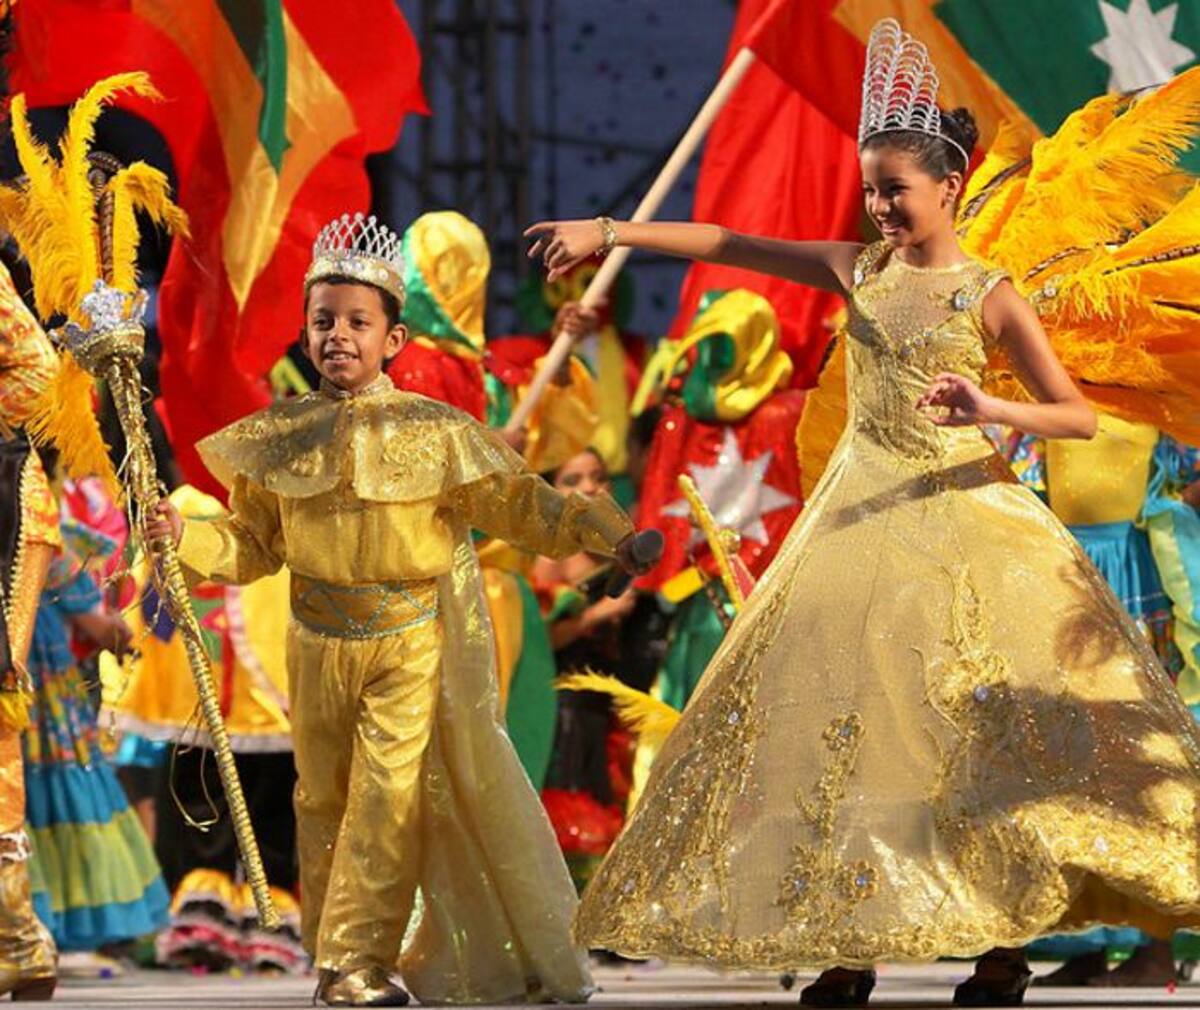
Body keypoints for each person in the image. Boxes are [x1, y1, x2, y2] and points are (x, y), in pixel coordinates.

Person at [526, 19, 1200, 1009]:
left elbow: (1075, 413)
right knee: (846, 739)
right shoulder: (859, 269)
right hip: (855, 524)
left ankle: (1001, 946)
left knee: (978, 741)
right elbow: (733, 242)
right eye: (871, 189)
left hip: (967, 524)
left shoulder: (988, 294)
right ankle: (850, 942)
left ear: (950, 188)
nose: (880, 206)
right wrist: (612, 232)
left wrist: (989, 406)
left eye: (897, 189)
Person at [147, 212, 658, 1007]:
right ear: (304, 333)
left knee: (386, 801)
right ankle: (333, 956)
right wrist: (185, 536)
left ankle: (359, 960)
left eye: (358, 322)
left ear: (393, 339)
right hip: (315, 643)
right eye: (324, 321)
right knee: (322, 801)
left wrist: (607, 536)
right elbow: (252, 545)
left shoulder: (436, 433)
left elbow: (522, 505)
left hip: (408, 641)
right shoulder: (279, 438)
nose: (338, 336)